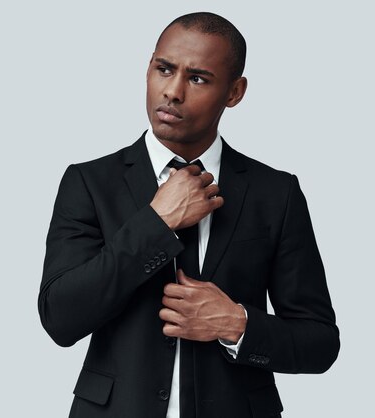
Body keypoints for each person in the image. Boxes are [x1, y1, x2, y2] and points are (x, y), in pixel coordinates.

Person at [38, 12, 339, 418]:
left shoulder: (276, 193)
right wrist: (155, 223)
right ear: (149, 69)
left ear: (234, 92)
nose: (173, 91)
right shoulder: (89, 183)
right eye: (164, 70)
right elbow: (61, 318)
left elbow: (320, 342)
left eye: (197, 78)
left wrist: (237, 324)